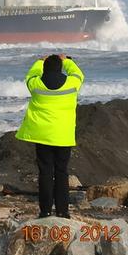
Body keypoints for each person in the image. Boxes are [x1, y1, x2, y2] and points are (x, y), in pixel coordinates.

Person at [15, 54, 84, 218]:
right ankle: (62, 211)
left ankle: (45, 211)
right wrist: (67, 61)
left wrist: (40, 61)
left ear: (44, 68)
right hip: (63, 135)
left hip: (42, 135)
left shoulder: (36, 84)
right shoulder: (72, 83)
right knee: (61, 172)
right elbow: (78, 74)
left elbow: (30, 75)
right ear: (60, 68)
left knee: (45, 172)